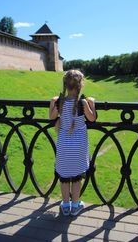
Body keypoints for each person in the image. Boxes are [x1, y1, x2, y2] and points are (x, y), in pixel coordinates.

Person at [49, 70, 97, 216]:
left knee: (64, 178)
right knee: (76, 178)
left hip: (64, 146)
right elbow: (92, 118)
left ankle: (65, 206)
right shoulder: (83, 103)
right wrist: (92, 103)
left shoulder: (60, 102)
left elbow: (51, 117)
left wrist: (53, 102)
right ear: (80, 85)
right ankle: (75, 205)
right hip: (79, 147)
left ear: (65, 85)